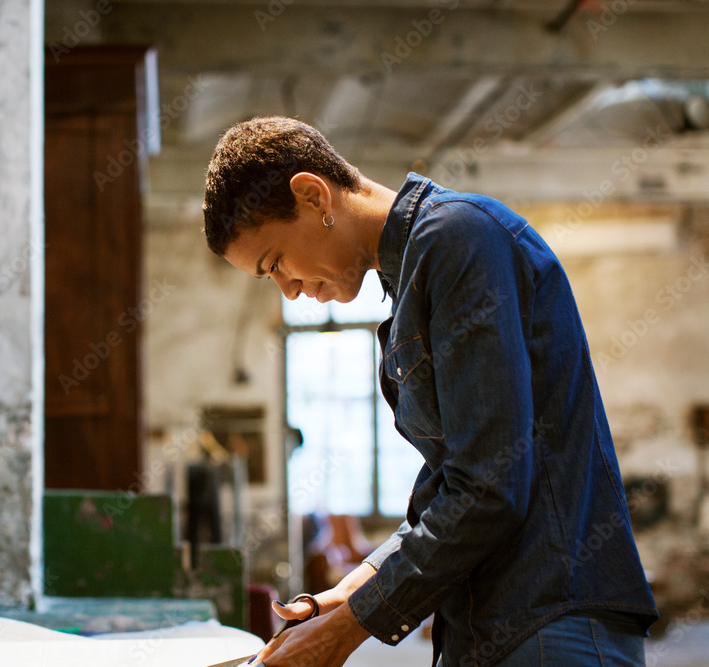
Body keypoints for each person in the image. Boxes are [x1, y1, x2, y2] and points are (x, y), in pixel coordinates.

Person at [202, 117, 658, 667]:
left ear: (311, 194)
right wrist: (354, 589)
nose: (289, 290)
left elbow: (488, 487)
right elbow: (453, 481)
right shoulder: (414, 277)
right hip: (498, 622)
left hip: (546, 619)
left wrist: (345, 631)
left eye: (275, 262)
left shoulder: (457, 238)